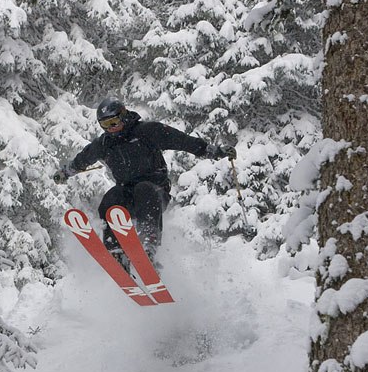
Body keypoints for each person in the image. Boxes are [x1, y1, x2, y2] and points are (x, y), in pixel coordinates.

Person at [54, 97, 236, 266]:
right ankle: (114, 248)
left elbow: (184, 142)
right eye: (105, 125)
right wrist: (65, 173)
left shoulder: (147, 131)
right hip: (126, 194)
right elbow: (83, 159)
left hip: (155, 192)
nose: (111, 128)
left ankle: (148, 244)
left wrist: (215, 151)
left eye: (113, 122)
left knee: (144, 189)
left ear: (123, 116)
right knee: (112, 197)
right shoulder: (105, 143)